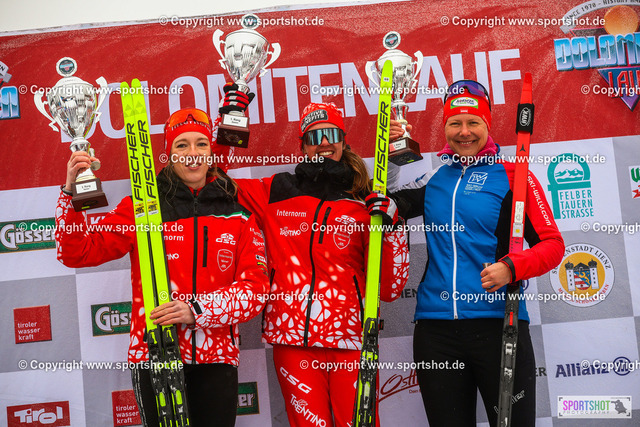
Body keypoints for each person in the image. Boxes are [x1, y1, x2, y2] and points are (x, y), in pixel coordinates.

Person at [55, 108, 270, 427]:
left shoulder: (236, 212)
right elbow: (77, 252)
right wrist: (70, 193)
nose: (192, 152)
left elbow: (255, 290)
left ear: (211, 153)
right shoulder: (142, 207)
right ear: (168, 154)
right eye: (182, 145)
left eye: (201, 144)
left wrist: (196, 310)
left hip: (216, 358)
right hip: (154, 354)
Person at [219, 89, 411, 426]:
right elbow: (213, 178)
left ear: (343, 142)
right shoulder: (276, 190)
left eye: (331, 134)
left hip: (351, 338)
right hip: (292, 340)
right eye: (313, 136)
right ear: (302, 145)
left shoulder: (365, 198)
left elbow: (390, 288)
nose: (323, 143)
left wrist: (393, 226)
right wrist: (231, 120)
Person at [389, 80, 564, 426]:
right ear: (445, 127)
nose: (464, 132)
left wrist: (512, 267)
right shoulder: (435, 179)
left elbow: (553, 245)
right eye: (455, 123)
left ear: (487, 124)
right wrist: (390, 153)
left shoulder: (515, 177)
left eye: (473, 122)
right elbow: (384, 204)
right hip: (436, 331)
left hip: (499, 325)